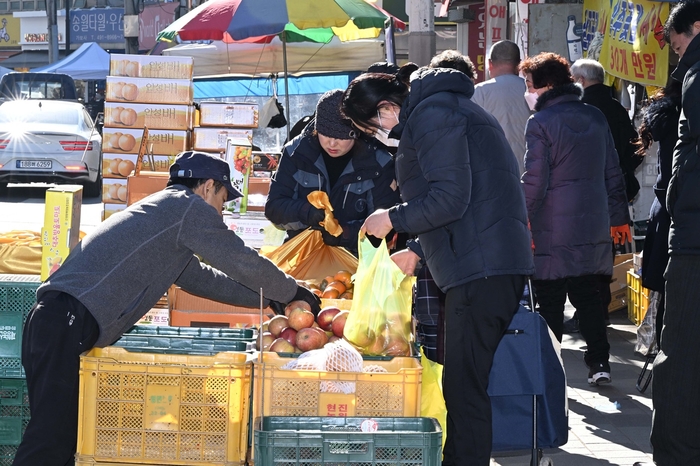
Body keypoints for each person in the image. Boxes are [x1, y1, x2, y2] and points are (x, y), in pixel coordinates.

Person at [12, 151, 321, 466]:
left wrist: (270, 299)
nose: (222, 212)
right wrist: (290, 290)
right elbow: (238, 258)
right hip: (66, 320)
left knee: (61, 438)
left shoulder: (167, 215)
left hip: (58, 320)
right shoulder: (187, 208)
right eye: (223, 200)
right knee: (49, 442)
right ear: (208, 187)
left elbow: (202, 279)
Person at [341, 63, 535, 466]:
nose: (377, 134)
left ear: (385, 108)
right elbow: (466, 194)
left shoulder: (433, 115)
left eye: (370, 125)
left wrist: (391, 217)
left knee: (464, 387)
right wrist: (418, 247)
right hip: (483, 259)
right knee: (465, 382)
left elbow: (449, 197)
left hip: (481, 265)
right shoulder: (450, 108)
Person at [519, 53, 630, 386]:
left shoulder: (540, 122)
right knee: (589, 297)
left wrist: (519, 216)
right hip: (592, 224)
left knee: (550, 299)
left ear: (547, 85)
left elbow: (534, 180)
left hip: (552, 227)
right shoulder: (595, 117)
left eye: (529, 84)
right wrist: (619, 219)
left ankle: (551, 368)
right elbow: (614, 173)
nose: (527, 91)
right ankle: (599, 364)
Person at [644, 3, 700, 464]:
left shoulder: (697, 75)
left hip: (693, 240)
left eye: (676, 40)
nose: (675, 52)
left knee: (681, 355)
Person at [265, 89, 401, 256]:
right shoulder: (296, 153)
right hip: (303, 256)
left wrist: (344, 234)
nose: (332, 143)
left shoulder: (379, 163)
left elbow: (388, 226)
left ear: (356, 132)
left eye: (341, 136)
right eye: (325, 133)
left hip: (355, 262)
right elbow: (274, 209)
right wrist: (306, 212)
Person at [636, 80, 681, 350]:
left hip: (665, 208)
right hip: (675, 209)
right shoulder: (680, 116)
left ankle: (661, 348)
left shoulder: (666, 116)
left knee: (664, 294)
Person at [571, 58, 643, 202]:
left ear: (581, 80)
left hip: (584, 189)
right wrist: (622, 169)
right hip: (616, 187)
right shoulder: (617, 108)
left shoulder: (576, 109)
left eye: (572, 80)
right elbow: (635, 148)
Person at [471, 40, 531, 175]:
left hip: (493, 168)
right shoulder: (532, 89)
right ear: (519, 64)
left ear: (490, 64)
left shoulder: (479, 91)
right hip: (529, 168)